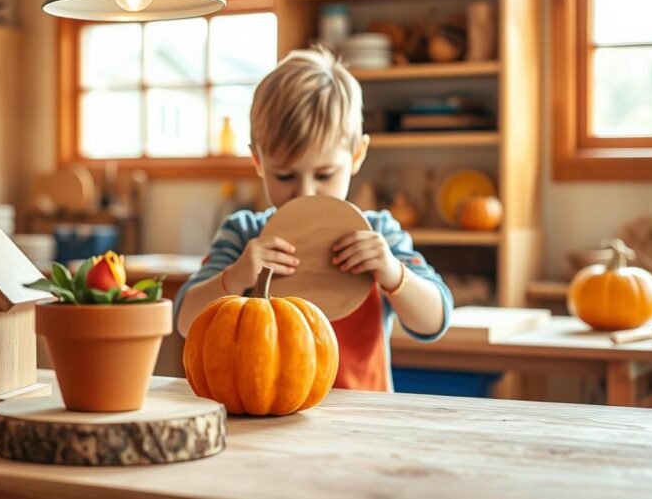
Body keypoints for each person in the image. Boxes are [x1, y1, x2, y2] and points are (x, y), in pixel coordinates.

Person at [175, 46, 453, 391]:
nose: (305, 191)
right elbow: (187, 321)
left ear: (356, 155)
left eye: (323, 175)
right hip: (268, 415)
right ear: (258, 162)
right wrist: (237, 276)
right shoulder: (245, 234)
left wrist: (393, 274)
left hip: (363, 422)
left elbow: (434, 321)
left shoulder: (378, 234)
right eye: (284, 176)